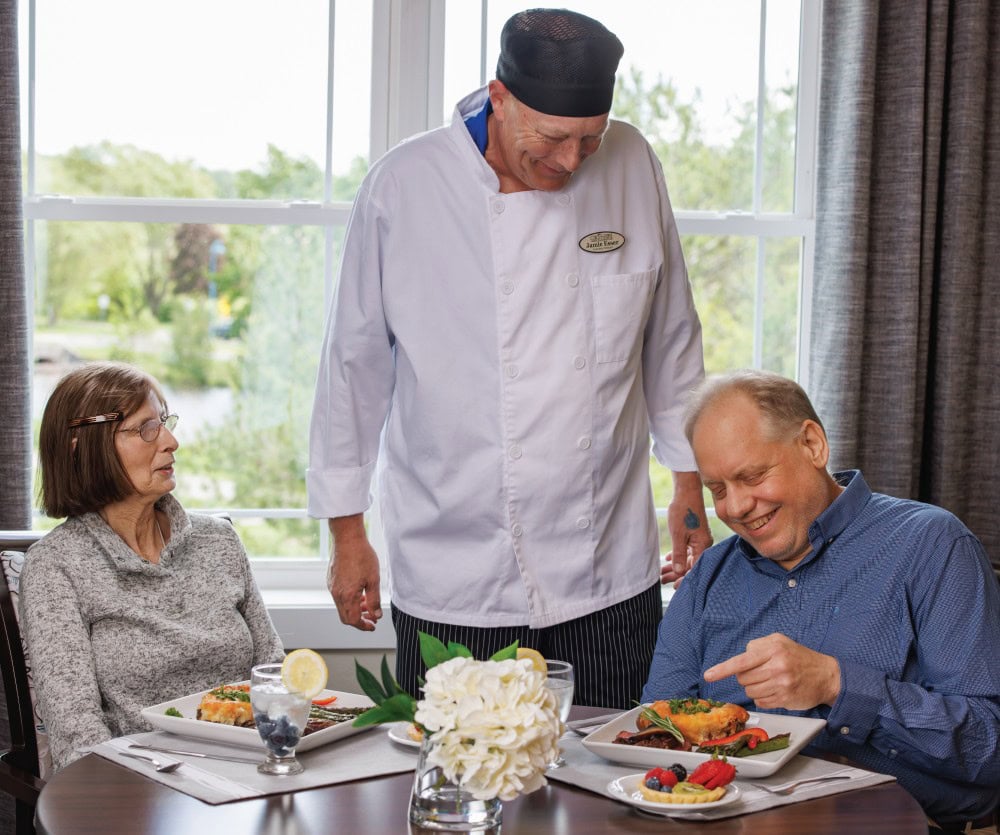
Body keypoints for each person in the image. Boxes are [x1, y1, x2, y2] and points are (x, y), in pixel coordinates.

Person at [307, 7, 711, 708]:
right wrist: (347, 532)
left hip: (605, 566)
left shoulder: (634, 162)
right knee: (461, 786)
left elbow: (671, 337)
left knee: (612, 787)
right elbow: (354, 370)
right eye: (552, 138)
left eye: (590, 139)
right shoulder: (405, 186)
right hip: (455, 566)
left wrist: (687, 485)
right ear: (498, 97)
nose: (570, 161)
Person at [642, 370, 1000, 831]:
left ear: (812, 445)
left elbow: (989, 749)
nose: (735, 507)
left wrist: (838, 685)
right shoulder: (709, 576)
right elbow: (655, 736)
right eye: (718, 489)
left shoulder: (932, 545)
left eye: (751, 476)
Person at [20, 362, 284, 770]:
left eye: (164, 422)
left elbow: (274, 674)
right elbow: (79, 738)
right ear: (82, 445)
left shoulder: (218, 540)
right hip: (138, 790)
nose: (171, 441)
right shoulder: (56, 567)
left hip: (255, 771)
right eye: (146, 429)